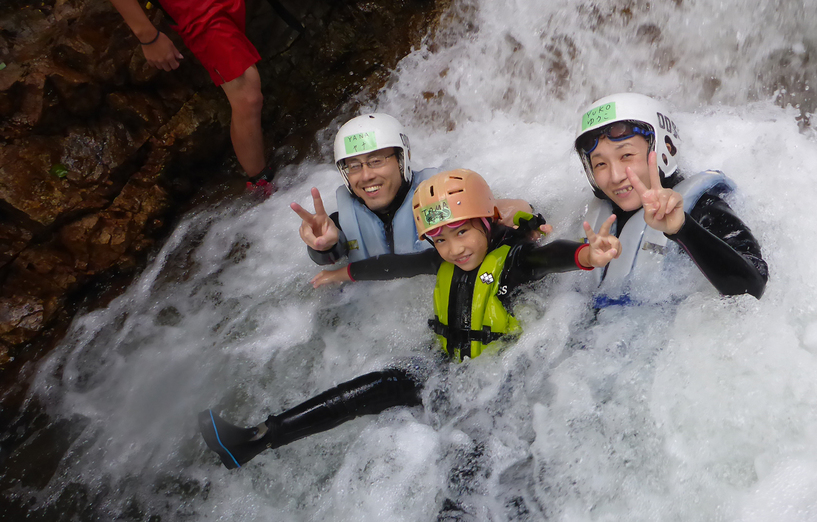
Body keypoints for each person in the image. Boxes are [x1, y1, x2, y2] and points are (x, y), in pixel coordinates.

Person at [199, 169, 619, 469]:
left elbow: (553, 256)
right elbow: (393, 265)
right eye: (440, 239)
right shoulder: (442, 259)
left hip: (497, 383)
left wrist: (587, 254)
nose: (453, 249)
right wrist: (342, 271)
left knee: (470, 469)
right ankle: (256, 439)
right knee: (365, 391)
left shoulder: (515, 261)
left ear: (487, 222)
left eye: (462, 233)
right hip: (446, 368)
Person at [573, 93, 768, 307]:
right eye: (600, 164)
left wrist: (683, 229)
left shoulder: (704, 208)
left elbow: (753, 289)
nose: (615, 176)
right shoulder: (592, 217)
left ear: (664, 149)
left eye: (626, 156)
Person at [291, 114, 550, 265]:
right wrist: (323, 247)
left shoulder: (438, 195)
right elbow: (332, 255)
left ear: (401, 160)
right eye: (354, 166)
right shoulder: (341, 221)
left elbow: (498, 212)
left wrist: (521, 220)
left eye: (376, 161)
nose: (366, 175)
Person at [107, 0, 274, 194]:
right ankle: (261, 186)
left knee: (247, 95)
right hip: (196, 10)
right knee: (247, 97)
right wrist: (148, 36)